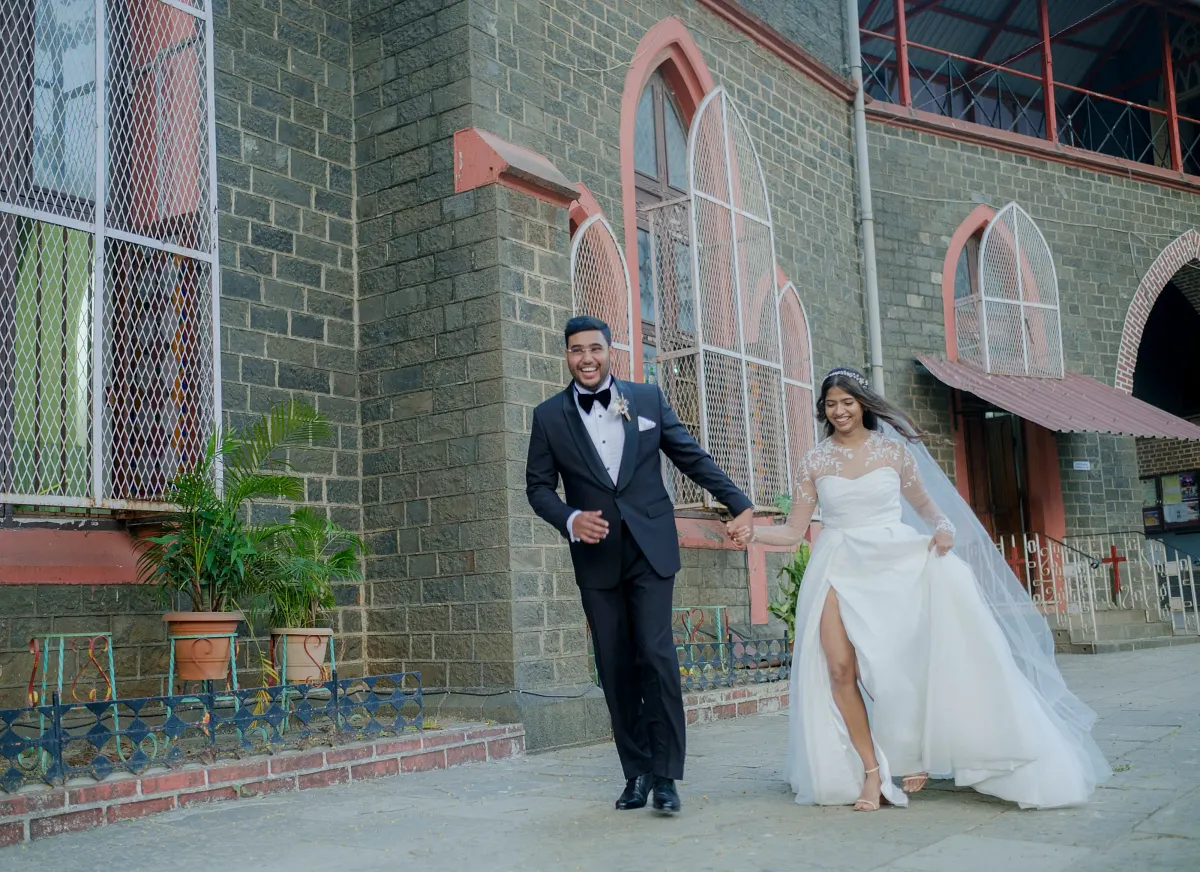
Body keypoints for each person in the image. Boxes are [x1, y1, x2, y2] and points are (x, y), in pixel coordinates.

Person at [727, 368, 1110, 811]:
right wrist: (752, 534)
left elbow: (930, 509)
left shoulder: (893, 453)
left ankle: (914, 751)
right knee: (839, 670)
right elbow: (794, 531)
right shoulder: (814, 461)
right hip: (835, 564)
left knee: (895, 669)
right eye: (831, 404)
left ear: (863, 404)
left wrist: (944, 530)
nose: (839, 411)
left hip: (892, 565)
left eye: (847, 402)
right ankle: (872, 772)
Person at [526, 315, 754, 815]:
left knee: (656, 654)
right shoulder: (548, 417)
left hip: (651, 548)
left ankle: (667, 776)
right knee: (614, 665)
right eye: (576, 350)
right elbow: (538, 488)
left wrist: (738, 502)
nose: (586, 358)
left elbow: (690, 456)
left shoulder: (647, 400)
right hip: (597, 555)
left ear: (610, 351)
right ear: (566, 356)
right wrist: (570, 519)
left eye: (595, 349)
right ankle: (638, 771)